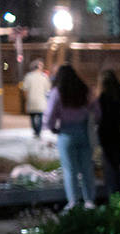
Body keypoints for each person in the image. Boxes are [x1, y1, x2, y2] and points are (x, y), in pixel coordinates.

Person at [45, 64, 100, 210]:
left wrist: (52, 128)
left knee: (70, 170)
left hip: (65, 133)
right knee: (87, 168)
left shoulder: (58, 92)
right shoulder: (84, 90)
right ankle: (89, 201)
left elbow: (50, 115)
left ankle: (73, 202)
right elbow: (97, 110)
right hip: (83, 132)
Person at [97, 70, 120, 200]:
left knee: (109, 166)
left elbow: (100, 118)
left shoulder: (104, 97)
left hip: (107, 135)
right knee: (116, 164)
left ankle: (113, 194)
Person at [21, 59, 52, 139]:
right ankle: (38, 132)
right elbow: (48, 88)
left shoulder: (28, 76)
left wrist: (26, 98)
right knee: (40, 116)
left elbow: (25, 88)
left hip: (31, 100)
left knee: (32, 116)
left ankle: (35, 131)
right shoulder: (44, 76)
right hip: (41, 100)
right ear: (38, 66)